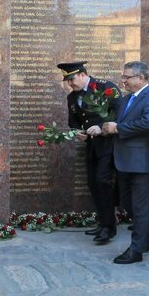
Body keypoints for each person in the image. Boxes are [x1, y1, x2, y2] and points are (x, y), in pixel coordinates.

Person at [102, 61, 149, 263]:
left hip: (142, 162)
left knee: (140, 207)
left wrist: (118, 128)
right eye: (123, 77)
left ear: (141, 78)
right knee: (128, 204)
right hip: (124, 161)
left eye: (127, 77)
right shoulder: (126, 99)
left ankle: (136, 250)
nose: (123, 80)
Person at [57, 60, 121, 244]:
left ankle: (109, 227)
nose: (70, 83)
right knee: (93, 184)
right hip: (92, 146)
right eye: (67, 80)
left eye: (72, 79)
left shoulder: (104, 87)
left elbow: (119, 112)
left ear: (83, 75)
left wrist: (102, 127)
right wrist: (78, 131)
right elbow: (74, 120)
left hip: (109, 144)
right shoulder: (72, 97)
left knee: (103, 182)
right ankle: (103, 222)